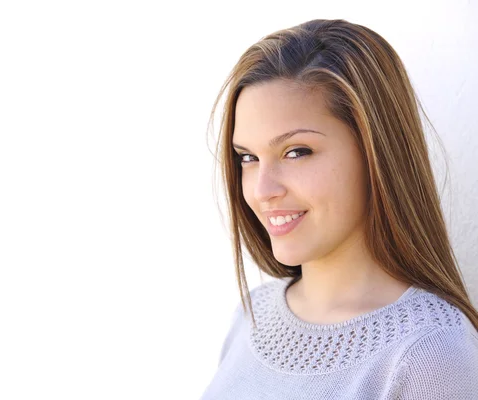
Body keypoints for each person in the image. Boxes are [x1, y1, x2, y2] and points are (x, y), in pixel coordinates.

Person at [200, 19, 478, 399]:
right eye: (247, 157)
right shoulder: (252, 316)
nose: (262, 190)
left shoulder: (429, 354)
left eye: (297, 152)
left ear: (376, 152)